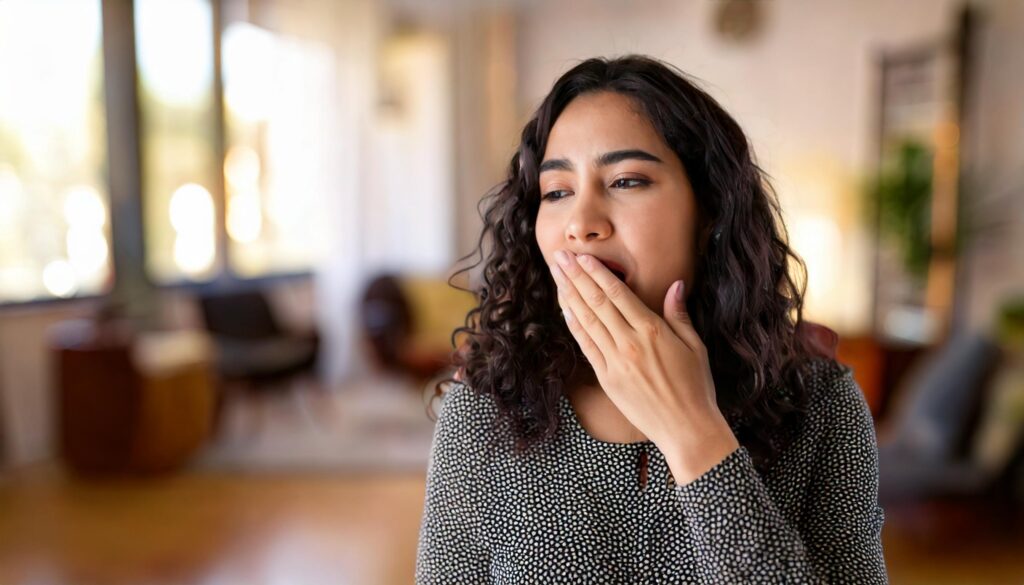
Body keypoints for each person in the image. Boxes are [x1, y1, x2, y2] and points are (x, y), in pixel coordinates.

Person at [415, 54, 888, 584]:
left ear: (708, 210)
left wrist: (693, 431)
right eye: (557, 192)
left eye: (627, 181)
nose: (582, 224)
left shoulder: (821, 407)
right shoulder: (486, 409)